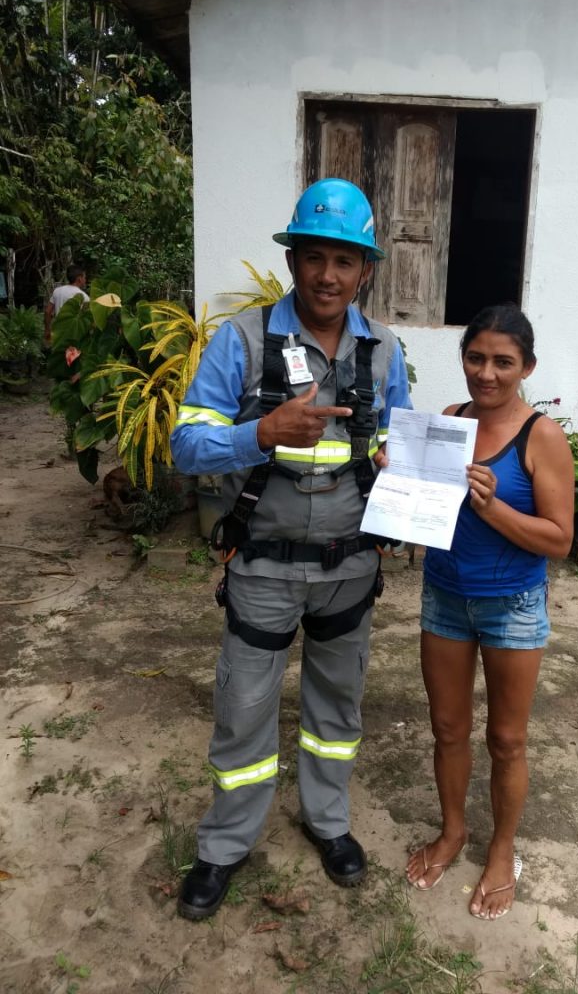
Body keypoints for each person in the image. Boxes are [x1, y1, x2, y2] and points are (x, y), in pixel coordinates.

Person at [170, 178, 412, 920]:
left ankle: (328, 823)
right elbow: (184, 446)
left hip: (349, 568)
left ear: (366, 270)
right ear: (294, 260)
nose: (328, 276)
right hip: (263, 565)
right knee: (244, 708)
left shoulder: (384, 352)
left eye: (345, 261)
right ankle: (224, 846)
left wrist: (416, 478)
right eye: (314, 257)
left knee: (336, 709)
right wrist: (260, 434)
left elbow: (397, 448)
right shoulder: (240, 342)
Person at [405, 303, 574, 921]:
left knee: (506, 738)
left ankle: (502, 849)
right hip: (445, 595)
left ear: (526, 366)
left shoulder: (542, 437)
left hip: (513, 607)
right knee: (447, 729)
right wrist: (399, 479)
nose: (488, 372)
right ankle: (454, 833)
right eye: (476, 358)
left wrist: (493, 508)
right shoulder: (450, 421)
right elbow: (424, 507)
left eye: (504, 361)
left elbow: (559, 540)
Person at [45, 264, 89, 343]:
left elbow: (48, 312)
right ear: (79, 279)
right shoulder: (84, 297)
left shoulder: (57, 291)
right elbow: (85, 319)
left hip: (57, 334)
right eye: (84, 277)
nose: (85, 280)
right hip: (74, 337)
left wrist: (47, 329)